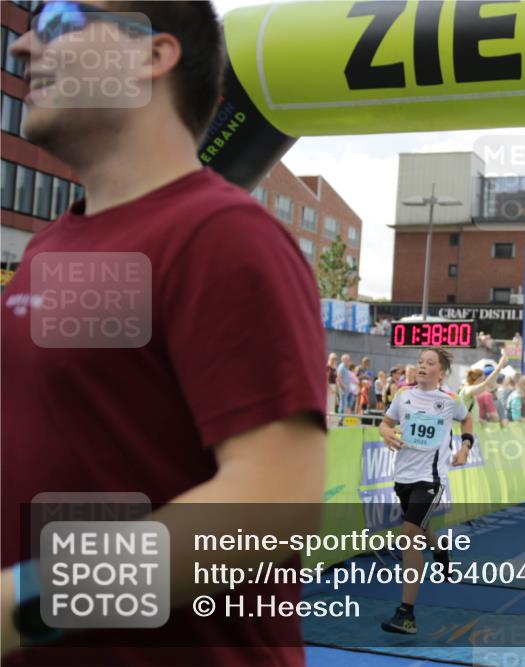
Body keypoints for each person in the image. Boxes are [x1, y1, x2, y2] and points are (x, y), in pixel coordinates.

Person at [1, 3, 326, 663]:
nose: (23, 48)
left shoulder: (223, 237)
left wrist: (24, 603)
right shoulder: (50, 247)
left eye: (60, 21)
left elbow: (272, 507)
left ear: (154, 54)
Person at [378, 348, 474, 635]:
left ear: (441, 372)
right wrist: (384, 432)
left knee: (409, 535)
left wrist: (466, 447)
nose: (422, 366)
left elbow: (467, 420)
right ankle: (441, 552)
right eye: (420, 361)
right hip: (403, 477)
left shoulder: (449, 400)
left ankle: (406, 614)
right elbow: (386, 422)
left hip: (431, 479)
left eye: (430, 363)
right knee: (421, 528)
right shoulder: (402, 396)